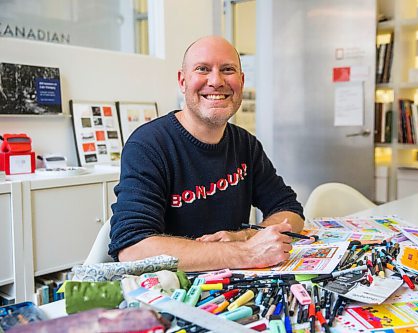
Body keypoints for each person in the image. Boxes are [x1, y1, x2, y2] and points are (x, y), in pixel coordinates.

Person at [109, 36, 304, 272]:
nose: (216, 81)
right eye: (202, 69)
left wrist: (244, 236)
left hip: (232, 283)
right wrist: (245, 253)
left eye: (227, 70)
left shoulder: (244, 143)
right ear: (182, 81)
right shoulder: (148, 145)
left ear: (241, 82)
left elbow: (290, 211)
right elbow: (133, 248)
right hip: (172, 291)